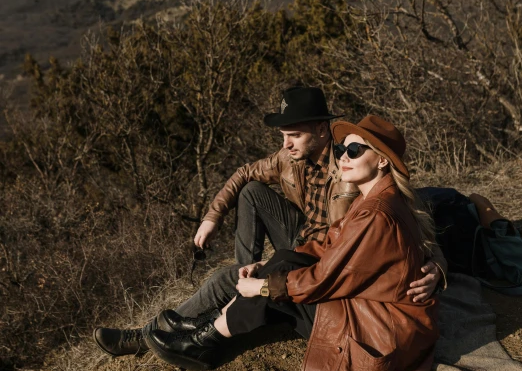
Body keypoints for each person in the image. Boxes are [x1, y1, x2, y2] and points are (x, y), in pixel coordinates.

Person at [94, 88, 446, 357]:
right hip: (306, 241)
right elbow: (244, 173)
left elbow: (413, 224)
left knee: (228, 280)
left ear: (323, 131)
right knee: (250, 193)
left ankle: (148, 337)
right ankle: (175, 319)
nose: (286, 144)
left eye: (294, 135)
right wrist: (212, 216)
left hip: (327, 259)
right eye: (282, 136)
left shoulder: (357, 168)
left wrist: (436, 269)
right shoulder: (290, 158)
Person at [144, 115, 439, 371]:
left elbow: (324, 278)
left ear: (383, 160)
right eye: (341, 150)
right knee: (287, 257)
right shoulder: (373, 199)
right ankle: (212, 326)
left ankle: (203, 341)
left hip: (380, 341)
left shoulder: (375, 212)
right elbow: (328, 248)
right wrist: (263, 269)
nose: (344, 157)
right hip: (379, 318)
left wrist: (262, 287)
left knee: (282, 277)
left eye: (354, 150)